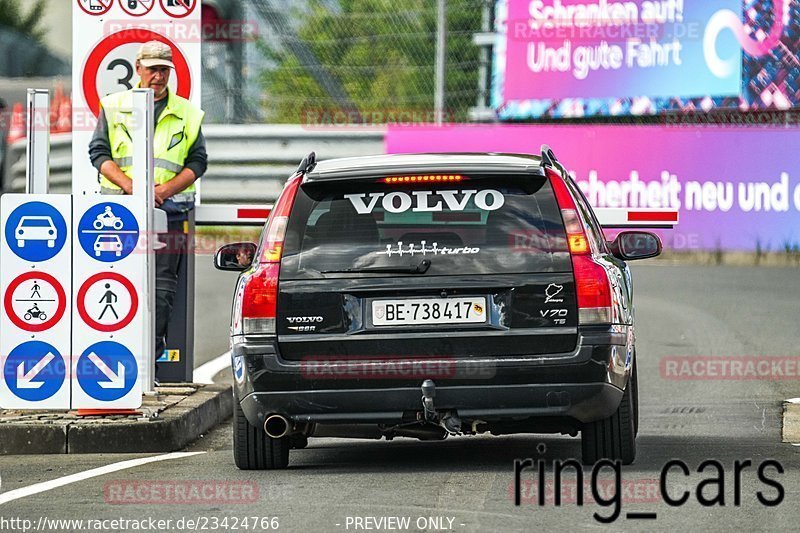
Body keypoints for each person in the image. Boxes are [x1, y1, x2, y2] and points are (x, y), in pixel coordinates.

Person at [88, 40, 207, 372]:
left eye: (163, 70)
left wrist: (163, 191)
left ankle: (148, 361)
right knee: (115, 280)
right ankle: (112, 356)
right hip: (118, 215)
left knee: (161, 288)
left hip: (169, 214)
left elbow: (198, 162)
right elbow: (99, 154)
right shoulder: (113, 106)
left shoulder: (187, 113)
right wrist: (132, 188)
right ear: (137, 69)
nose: (158, 76)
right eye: (152, 69)